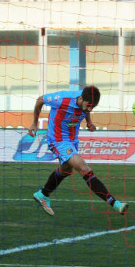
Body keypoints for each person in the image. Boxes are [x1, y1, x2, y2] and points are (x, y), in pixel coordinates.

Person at [28, 86, 128, 216]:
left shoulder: (86, 100)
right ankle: (115, 204)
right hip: (57, 140)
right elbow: (40, 100)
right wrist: (34, 123)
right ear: (80, 98)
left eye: (93, 107)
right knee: (84, 168)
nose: (90, 109)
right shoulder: (61, 99)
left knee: (66, 170)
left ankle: (43, 194)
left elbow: (86, 110)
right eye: (88, 106)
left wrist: (89, 123)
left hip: (72, 140)